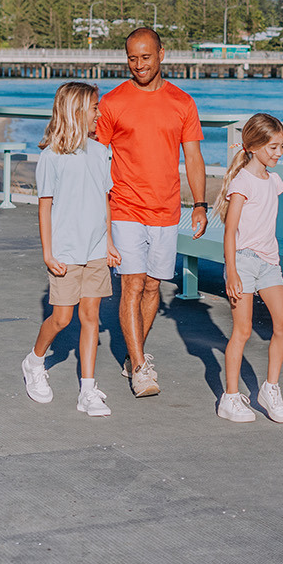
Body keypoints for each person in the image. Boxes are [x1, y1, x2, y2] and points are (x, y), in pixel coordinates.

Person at [95, 27, 207, 398]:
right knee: (132, 283)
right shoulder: (112, 103)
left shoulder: (182, 103)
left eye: (145, 57)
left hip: (167, 209)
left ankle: (133, 354)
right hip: (125, 206)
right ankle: (141, 367)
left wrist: (201, 203)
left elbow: (193, 157)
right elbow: (95, 160)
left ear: (162, 54)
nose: (139, 65)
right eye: (132, 58)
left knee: (153, 286)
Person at [22, 82, 120, 416]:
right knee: (62, 318)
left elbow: (104, 199)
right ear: (77, 111)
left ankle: (88, 390)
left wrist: (108, 242)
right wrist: (48, 253)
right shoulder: (51, 157)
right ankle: (35, 362)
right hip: (64, 251)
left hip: (95, 250)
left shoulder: (99, 151)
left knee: (91, 316)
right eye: (95, 107)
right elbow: (44, 207)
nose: (99, 113)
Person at [214, 113, 283, 424]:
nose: (279, 153)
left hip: (269, 262)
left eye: (282, 147)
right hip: (243, 262)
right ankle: (230, 397)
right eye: (273, 147)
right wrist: (231, 271)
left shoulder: (274, 181)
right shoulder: (242, 181)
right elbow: (230, 230)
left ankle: (270, 389)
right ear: (255, 146)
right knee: (243, 330)